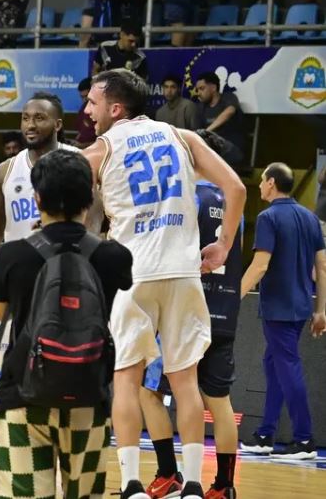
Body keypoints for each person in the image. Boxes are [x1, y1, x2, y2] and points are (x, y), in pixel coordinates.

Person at [81, 68, 246, 498]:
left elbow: (69, 200)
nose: (87, 110)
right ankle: (192, 484)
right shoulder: (183, 137)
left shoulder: (101, 148)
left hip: (133, 275)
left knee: (127, 380)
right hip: (183, 272)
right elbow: (236, 188)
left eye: (93, 103)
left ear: (116, 108)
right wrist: (224, 244)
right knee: (185, 380)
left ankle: (131, 484)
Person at [0, 148, 133, 499]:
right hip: (88, 391)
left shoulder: (11, 255)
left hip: (24, 392)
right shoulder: (114, 256)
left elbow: (1, 313)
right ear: (91, 197)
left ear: (37, 198)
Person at [139, 128, 243, 499]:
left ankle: (169, 473)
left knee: (150, 392)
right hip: (225, 310)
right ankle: (224, 485)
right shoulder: (232, 204)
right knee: (219, 401)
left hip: (184, 310)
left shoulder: (187, 196)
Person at [239, 162, 323, 461]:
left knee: (287, 366)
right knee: (273, 364)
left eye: (263, 180)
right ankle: (265, 434)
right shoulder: (310, 217)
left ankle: (304, 440)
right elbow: (322, 266)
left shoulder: (268, 217)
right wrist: (321, 309)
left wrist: (233, 296)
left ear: (272, 183)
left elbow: (260, 265)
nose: (260, 185)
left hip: (278, 307)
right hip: (301, 305)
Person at [0, 92, 83, 245]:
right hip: (19, 258)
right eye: (25, 118)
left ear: (57, 125)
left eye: (39, 118)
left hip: (65, 257)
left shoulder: (80, 161)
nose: (30, 125)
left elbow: (95, 219)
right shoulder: (5, 170)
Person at [195, 72, 246, 167]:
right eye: (197, 90)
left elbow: (229, 111)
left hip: (232, 151)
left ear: (213, 88)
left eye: (202, 88)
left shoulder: (228, 97)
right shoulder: (201, 107)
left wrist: (207, 131)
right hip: (213, 153)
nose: (199, 93)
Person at [73, 78, 97, 149]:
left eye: (86, 96)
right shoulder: (83, 107)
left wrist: (83, 145)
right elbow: (81, 131)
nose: (84, 100)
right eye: (81, 97)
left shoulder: (100, 111)